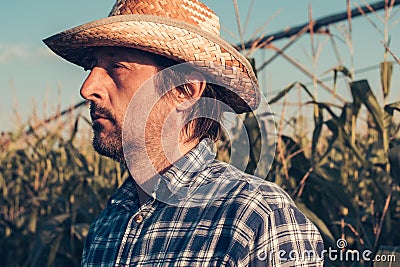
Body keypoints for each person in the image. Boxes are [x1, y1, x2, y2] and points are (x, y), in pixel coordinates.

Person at [44, 0, 324, 266]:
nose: (87, 87)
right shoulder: (107, 225)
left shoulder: (256, 218)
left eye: (117, 67)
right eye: (91, 67)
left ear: (187, 91)